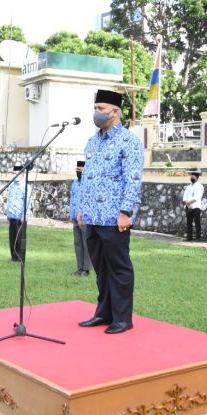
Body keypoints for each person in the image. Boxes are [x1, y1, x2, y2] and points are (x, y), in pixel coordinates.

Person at [77, 90, 144, 335]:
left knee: (118, 266)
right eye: (95, 107)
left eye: (101, 108)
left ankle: (123, 318)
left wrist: (126, 211)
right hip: (93, 215)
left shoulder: (129, 141)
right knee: (101, 267)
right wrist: (82, 208)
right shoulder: (93, 141)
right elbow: (88, 179)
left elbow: (133, 179)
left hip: (114, 216)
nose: (96, 113)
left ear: (115, 111)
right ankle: (104, 312)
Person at [70, 160, 91, 276]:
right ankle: (79, 268)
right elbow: (72, 199)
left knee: (85, 243)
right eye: (77, 170)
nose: (78, 172)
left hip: (84, 218)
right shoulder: (75, 183)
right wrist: (71, 214)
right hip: (74, 217)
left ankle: (86, 269)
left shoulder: (87, 183)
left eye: (80, 170)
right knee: (77, 243)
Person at [7, 164, 30, 263]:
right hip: (12, 215)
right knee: (12, 237)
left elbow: (27, 201)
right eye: (13, 173)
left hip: (20, 216)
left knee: (20, 238)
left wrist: (25, 215)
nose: (14, 176)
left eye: (16, 174)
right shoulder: (12, 185)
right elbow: (9, 199)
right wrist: (8, 214)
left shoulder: (26, 186)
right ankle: (13, 256)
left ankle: (20, 257)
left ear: (22, 175)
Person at [181, 171, 204, 241]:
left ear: (197, 178)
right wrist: (186, 203)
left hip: (196, 206)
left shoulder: (200, 186)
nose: (191, 178)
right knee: (189, 222)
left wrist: (189, 203)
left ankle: (198, 237)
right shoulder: (188, 187)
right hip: (188, 207)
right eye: (191, 177)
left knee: (197, 222)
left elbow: (198, 197)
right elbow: (185, 196)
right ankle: (189, 237)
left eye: (193, 177)